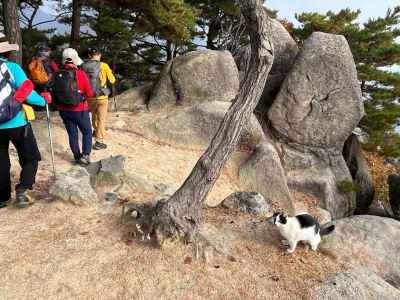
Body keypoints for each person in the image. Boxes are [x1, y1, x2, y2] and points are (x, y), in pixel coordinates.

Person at [0, 34, 51, 209]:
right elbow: (28, 93)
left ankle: (2, 198)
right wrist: (43, 101)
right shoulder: (12, 68)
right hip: (16, 122)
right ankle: (23, 191)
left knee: (0, 162)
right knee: (30, 157)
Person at [49, 48, 94, 165]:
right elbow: (89, 93)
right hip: (80, 110)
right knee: (87, 132)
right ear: (75, 60)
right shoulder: (81, 74)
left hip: (63, 110)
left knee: (72, 134)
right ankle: (86, 155)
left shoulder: (56, 74)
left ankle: (77, 156)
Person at [82, 47, 116, 150]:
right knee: (102, 118)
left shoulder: (83, 66)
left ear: (89, 56)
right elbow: (112, 80)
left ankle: (95, 129)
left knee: (93, 113)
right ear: (99, 55)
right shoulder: (104, 65)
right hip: (102, 96)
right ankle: (98, 141)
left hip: (89, 96)